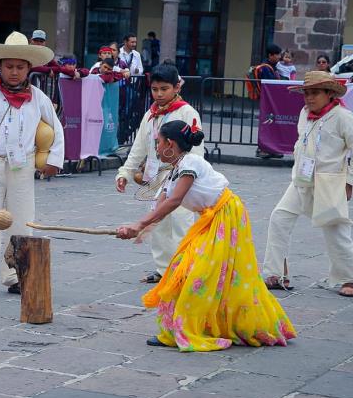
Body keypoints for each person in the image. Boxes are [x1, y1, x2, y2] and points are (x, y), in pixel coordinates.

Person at [116, 120, 296, 351]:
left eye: (158, 142)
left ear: (170, 143)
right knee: (188, 268)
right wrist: (137, 229)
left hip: (226, 216)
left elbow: (174, 200)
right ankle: (193, 325)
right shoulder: (172, 171)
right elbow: (159, 206)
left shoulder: (190, 163)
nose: (157, 147)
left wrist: (139, 224)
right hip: (211, 219)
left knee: (197, 274)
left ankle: (187, 328)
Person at [0, 31, 65, 298]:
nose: (14, 72)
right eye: (9, 66)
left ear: (29, 68)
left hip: (23, 165)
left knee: (22, 221)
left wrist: (53, 160)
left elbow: (56, 128)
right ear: (0, 66)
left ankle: (17, 274)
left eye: (20, 67)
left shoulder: (38, 97)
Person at [262, 71, 353, 297]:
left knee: (336, 229)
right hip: (301, 178)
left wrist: (350, 182)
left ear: (329, 94)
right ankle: (276, 272)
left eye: (315, 93)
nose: (309, 98)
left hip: (329, 181)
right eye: (307, 93)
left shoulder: (343, 117)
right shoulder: (304, 113)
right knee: (279, 218)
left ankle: (348, 279)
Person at [116, 64, 202, 284]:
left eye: (165, 88)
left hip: (180, 179)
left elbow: (196, 151)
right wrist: (126, 171)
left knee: (182, 225)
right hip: (156, 180)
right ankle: (165, 271)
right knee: (159, 227)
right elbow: (139, 147)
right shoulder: (150, 115)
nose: (159, 94)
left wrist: (187, 179)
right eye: (155, 89)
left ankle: (187, 271)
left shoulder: (187, 112)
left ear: (176, 87)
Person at [255, 44, 283, 159]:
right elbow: (271, 85)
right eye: (277, 55)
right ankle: (261, 149)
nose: (279, 57)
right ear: (270, 55)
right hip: (268, 103)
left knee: (271, 125)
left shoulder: (271, 67)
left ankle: (271, 149)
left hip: (270, 102)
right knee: (267, 125)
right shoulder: (266, 68)